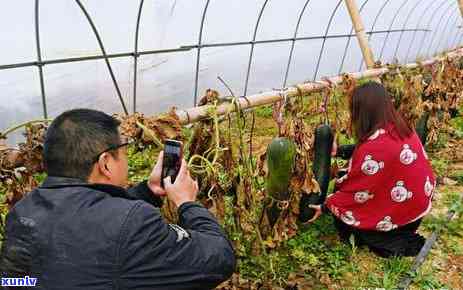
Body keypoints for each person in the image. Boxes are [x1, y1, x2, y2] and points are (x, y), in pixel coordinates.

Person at [0, 109, 235, 289]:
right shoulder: (133, 223)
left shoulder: (22, 212)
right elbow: (219, 259)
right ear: (105, 163)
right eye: (123, 152)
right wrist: (187, 203)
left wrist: (148, 190)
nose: (126, 160)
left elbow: (17, 281)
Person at [309, 81, 435, 258]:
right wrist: (341, 151)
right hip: (414, 210)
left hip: (396, 221)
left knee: (346, 226)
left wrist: (326, 206)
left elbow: (355, 192)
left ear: (363, 112)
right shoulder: (401, 128)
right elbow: (377, 153)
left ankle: (395, 242)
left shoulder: (374, 148)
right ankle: (394, 233)